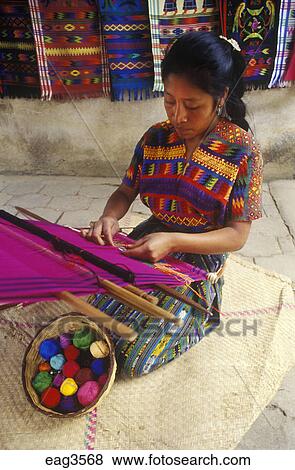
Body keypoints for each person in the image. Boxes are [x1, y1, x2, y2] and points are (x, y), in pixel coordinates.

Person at [81, 32, 263, 378]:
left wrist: (175, 241)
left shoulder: (243, 151)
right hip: (148, 239)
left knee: (132, 351)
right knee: (90, 321)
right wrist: (109, 216)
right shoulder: (156, 137)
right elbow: (125, 190)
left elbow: (236, 236)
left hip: (200, 254)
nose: (178, 116)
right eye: (169, 101)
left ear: (221, 97)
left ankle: (200, 316)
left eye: (192, 105)